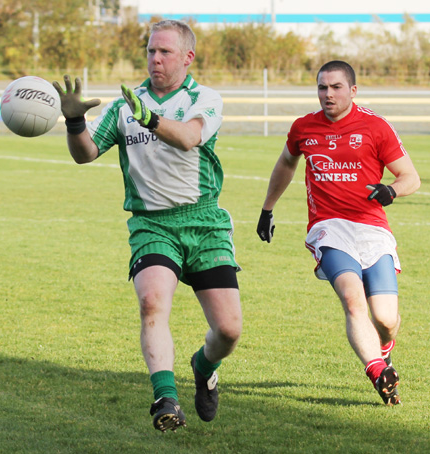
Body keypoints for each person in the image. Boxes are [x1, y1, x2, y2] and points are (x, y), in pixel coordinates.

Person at [53, 19, 242, 431]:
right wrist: (73, 123)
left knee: (228, 330)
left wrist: (151, 120)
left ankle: (202, 365)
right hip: (152, 224)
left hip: (204, 221)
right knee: (152, 302)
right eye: (151, 51)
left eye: (165, 52)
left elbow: (190, 137)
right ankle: (165, 398)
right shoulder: (126, 104)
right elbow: (85, 154)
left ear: (187, 57)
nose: (155, 59)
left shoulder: (204, 98)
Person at [257, 60, 420, 406]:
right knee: (351, 297)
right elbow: (286, 163)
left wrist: (391, 191)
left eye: (335, 87)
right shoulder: (304, 128)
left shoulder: (376, 126)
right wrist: (267, 208)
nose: (327, 94)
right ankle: (378, 371)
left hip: (372, 229)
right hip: (329, 228)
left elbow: (411, 178)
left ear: (353, 90)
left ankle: (384, 349)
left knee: (386, 319)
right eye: (321, 87)